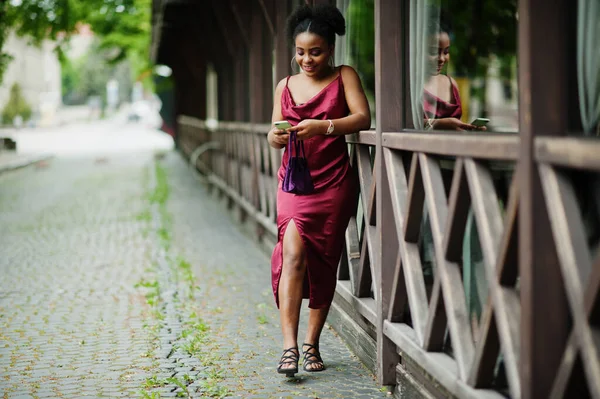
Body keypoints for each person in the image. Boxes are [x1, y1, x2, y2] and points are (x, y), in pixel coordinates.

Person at [266, 4, 371, 377]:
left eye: (315, 51)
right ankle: (289, 347)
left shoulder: (344, 76)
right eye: (300, 52)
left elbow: (362, 117)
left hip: (333, 183)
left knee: (324, 259)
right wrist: (276, 135)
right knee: (292, 254)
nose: (306, 60)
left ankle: (313, 343)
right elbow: (272, 133)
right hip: (293, 183)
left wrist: (322, 127)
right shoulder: (284, 85)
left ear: (330, 49)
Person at [422, 19, 485, 131]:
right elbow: (399, 125)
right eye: (433, 52)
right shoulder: (409, 85)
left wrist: (467, 128)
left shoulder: (452, 84)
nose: (442, 59)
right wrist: (439, 124)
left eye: (446, 52)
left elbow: (454, 126)